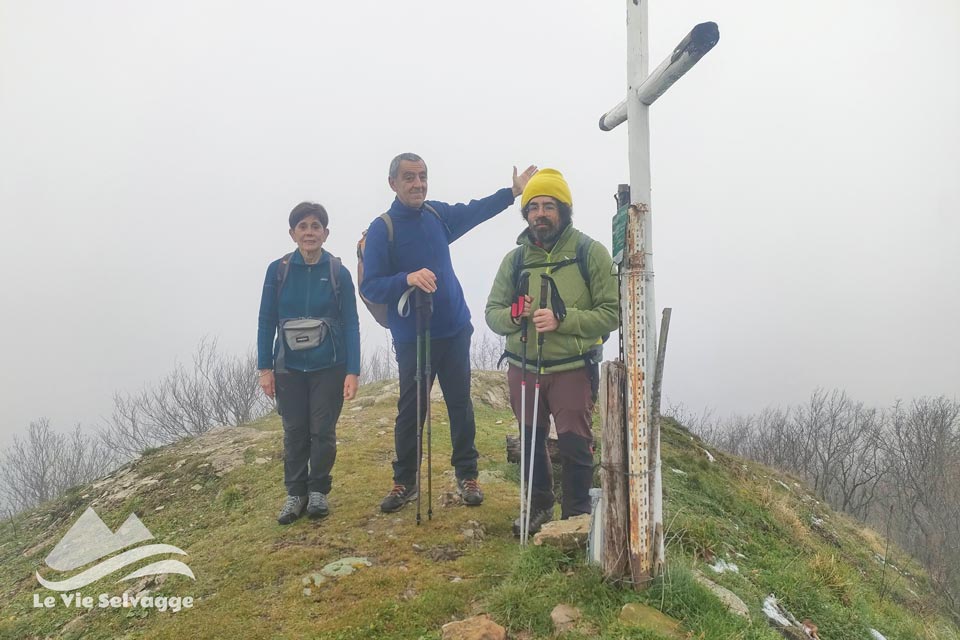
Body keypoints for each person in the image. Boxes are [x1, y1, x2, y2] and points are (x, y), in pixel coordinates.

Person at [360, 152, 537, 513]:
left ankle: (467, 474)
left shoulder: (437, 215)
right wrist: (406, 279)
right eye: (409, 177)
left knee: (460, 403)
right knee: (412, 409)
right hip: (412, 336)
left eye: (423, 176)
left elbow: (474, 211)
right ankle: (404, 482)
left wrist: (512, 192)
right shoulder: (383, 228)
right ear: (393, 183)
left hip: (454, 328)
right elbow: (371, 287)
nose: (418, 184)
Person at [484, 169, 619, 535]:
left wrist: (565, 320)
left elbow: (613, 312)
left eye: (549, 206)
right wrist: (515, 316)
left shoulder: (589, 252)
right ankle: (538, 508)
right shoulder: (514, 261)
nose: (540, 214)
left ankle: (576, 519)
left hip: (573, 368)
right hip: (523, 365)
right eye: (533, 207)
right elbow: (492, 312)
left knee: (576, 444)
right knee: (530, 440)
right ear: (525, 213)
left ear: (564, 210)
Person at [257, 202, 361, 524]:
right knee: (294, 432)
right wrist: (265, 368)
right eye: (303, 226)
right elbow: (266, 321)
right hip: (289, 367)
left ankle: (318, 491)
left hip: (329, 366)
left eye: (316, 226)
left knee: (323, 431)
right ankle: (295, 493)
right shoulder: (278, 270)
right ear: (292, 233)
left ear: (326, 233)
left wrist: (352, 371)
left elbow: (352, 323)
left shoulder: (338, 272)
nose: (309, 232)